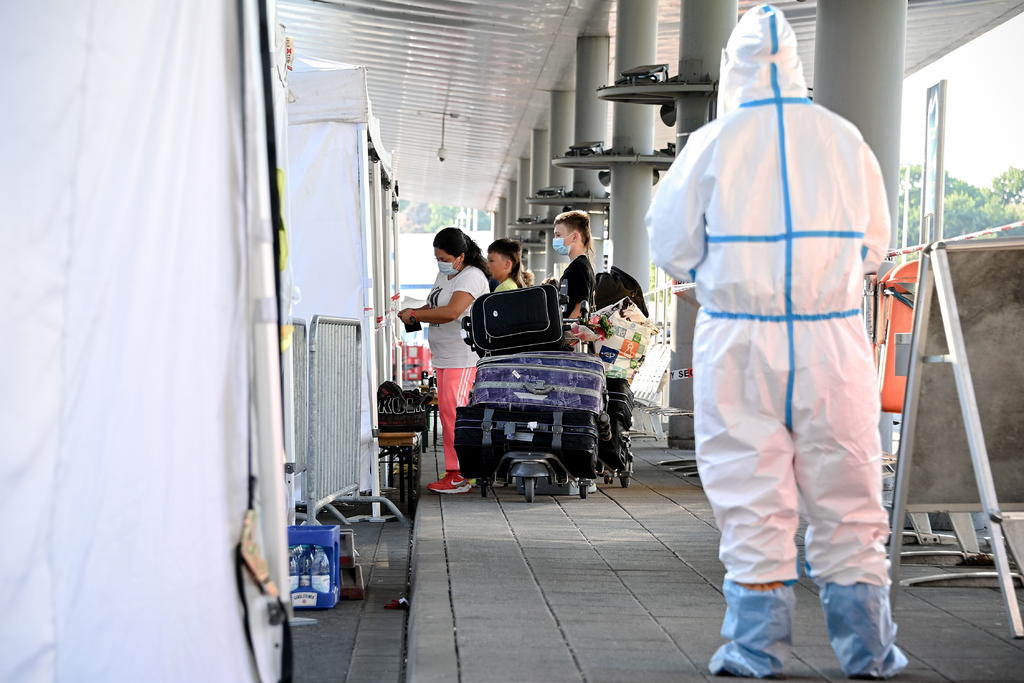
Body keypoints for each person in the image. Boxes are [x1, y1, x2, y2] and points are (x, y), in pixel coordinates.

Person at [645, 5, 907, 680]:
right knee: (849, 489)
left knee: (749, 491)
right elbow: (874, 246)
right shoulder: (844, 138)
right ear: (795, 66)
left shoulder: (711, 143)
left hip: (740, 337)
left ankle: (756, 650)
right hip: (831, 336)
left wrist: (721, 273)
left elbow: (671, 245)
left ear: (732, 70)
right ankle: (869, 650)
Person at [398, 227, 490, 494]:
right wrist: (413, 312)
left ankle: (460, 474)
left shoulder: (471, 276)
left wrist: (417, 315)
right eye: (437, 258)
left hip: (462, 357)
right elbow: (435, 305)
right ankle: (455, 469)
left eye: (444, 258)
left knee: (454, 415)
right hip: (445, 357)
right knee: (449, 414)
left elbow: (451, 312)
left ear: (460, 256)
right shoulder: (445, 274)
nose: (440, 262)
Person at [552, 210, 595, 319]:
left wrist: (566, 327)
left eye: (558, 235)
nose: (555, 240)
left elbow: (580, 307)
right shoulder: (582, 265)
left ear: (574, 236)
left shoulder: (579, 267)